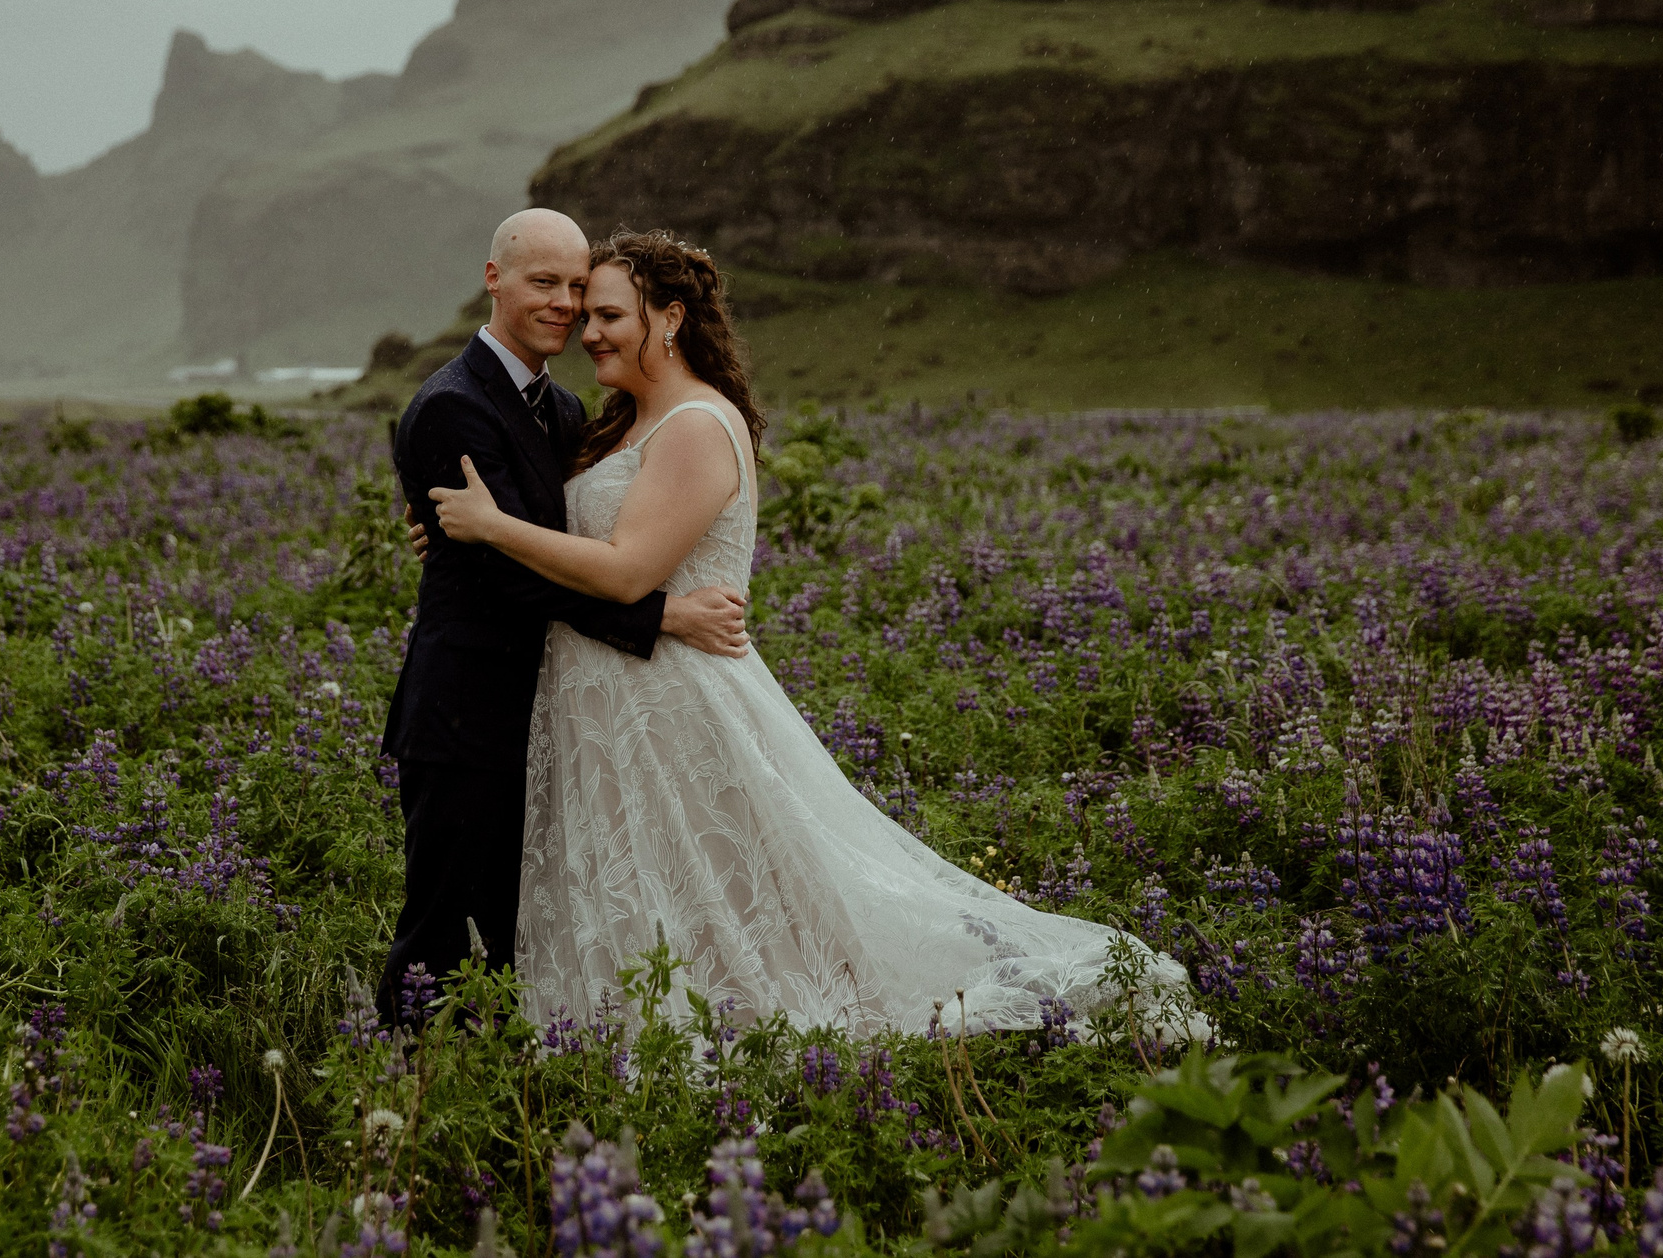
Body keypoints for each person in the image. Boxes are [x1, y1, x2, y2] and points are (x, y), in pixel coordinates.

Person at [429, 228, 1194, 1036]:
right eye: (586, 313)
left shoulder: (693, 424)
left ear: (674, 318)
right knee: (648, 890)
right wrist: (448, 530)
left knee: (723, 893)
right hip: (605, 695)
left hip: (672, 695)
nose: (589, 331)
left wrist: (492, 528)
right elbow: (566, 532)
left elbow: (623, 571)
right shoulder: (613, 424)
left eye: (611, 314)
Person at [376, 209, 751, 1031]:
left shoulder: (572, 410)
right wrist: (662, 616)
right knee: (445, 931)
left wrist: (475, 538)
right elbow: (508, 576)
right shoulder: (450, 406)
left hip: (558, 715)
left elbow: (555, 539)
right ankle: (412, 1108)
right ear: (494, 279)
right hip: (467, 712)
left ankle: (511, 1092)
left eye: (580, 289)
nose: (566, 306)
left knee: (528, 932)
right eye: (544, 282)